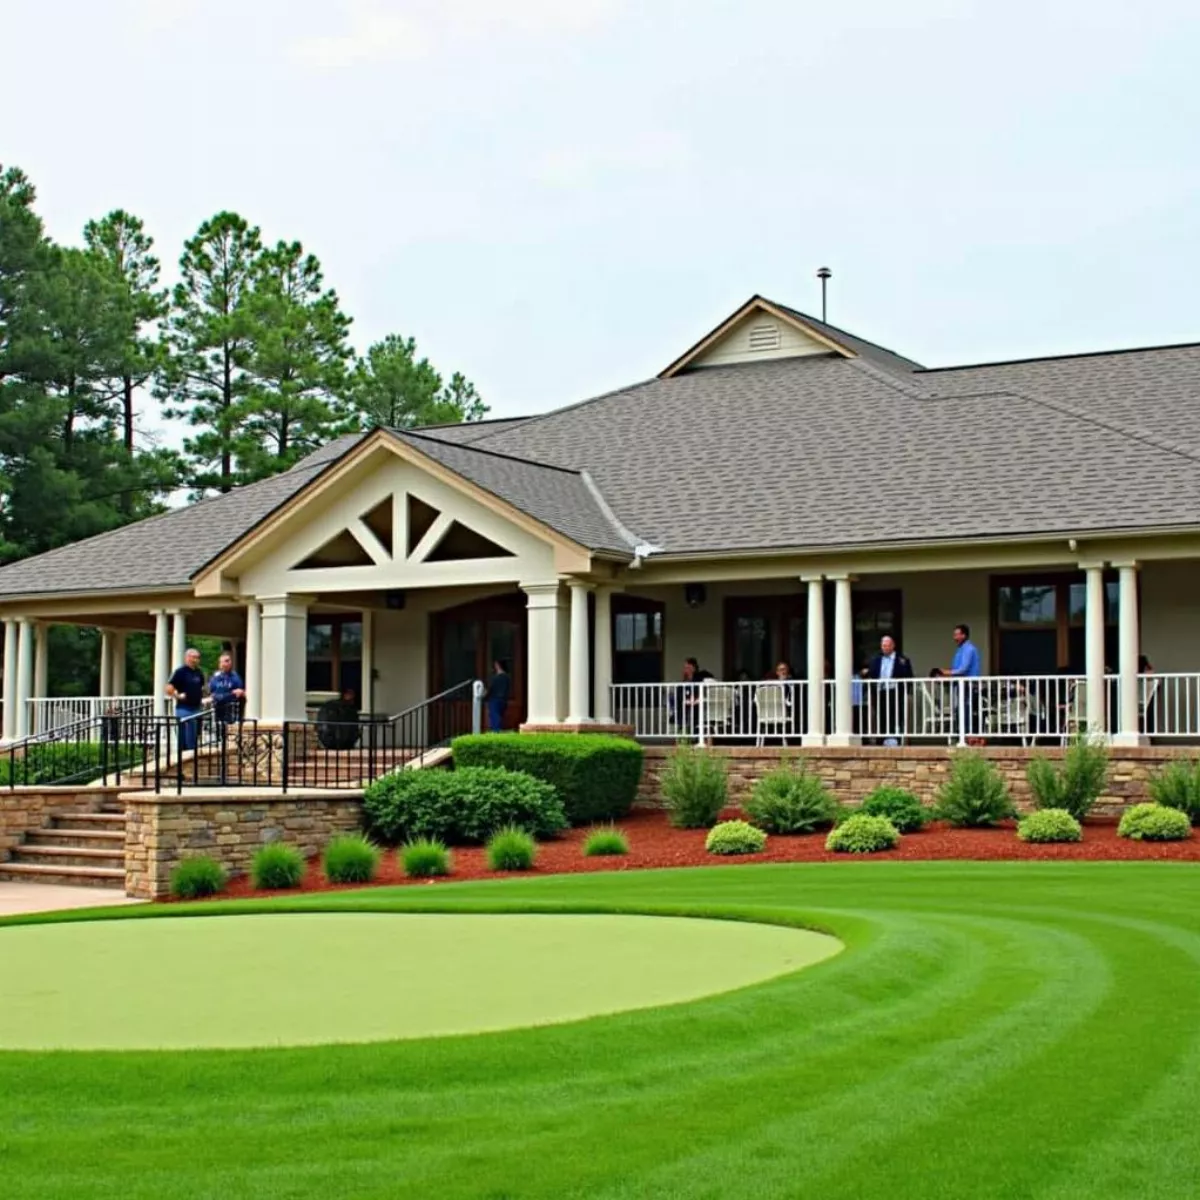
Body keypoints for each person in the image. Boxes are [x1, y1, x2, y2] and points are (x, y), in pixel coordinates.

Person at [865, 635, 914, 746]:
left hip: (894, 691)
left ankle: (894, 739)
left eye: (887, 645)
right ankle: (882, 739)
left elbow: (909, 676)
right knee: (881, 715)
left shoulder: (902, 660)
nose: (885, 648)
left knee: (895, 715)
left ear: (893, 646)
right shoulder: (876, 659)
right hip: (880, 691)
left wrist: (905, 691)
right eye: (883, 646)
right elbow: (872, 673)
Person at [946, 623, 983, 743]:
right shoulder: (960, 650)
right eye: (954, 635)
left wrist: (947, 673)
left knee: (967, 710)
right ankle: (963, 735)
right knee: (960, 710)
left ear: (964, 635)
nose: (954, 637)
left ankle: (968, 735)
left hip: (969, 685)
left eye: (957, 634)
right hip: (961, 684)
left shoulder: (969, 649)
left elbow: (963, 668)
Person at [166, 647, 206, 751]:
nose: (196, 660)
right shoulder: (180, 672)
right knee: (184, 738)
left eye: (198, 658)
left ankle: (192, 758)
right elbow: (169, 688)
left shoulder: (199, 672)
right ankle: (183, 757)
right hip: (184, 708)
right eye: (194, 657)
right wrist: (177, 695)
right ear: (187, 658)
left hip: (197, 708)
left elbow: (202, 687)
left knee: (194, 737)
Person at [208, 652, 246, 725]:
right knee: (219, 731)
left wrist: (224, 695)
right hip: (218, 710)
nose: (228, 663)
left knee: (231, 732)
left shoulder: (235, 677)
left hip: (231, 711)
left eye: (229, 661)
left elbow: (239, 693)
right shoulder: (215, 677)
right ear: (220, 664)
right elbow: (213, 694)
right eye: (225, 661)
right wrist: (230, 693)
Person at [485, 659, 510, 732]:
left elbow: (491, 689)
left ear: (497, 665)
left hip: (494, 700)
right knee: (499, 717)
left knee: (494, 718)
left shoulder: (496, 678)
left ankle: (496, 733)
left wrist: (485, 696)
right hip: (503, 700)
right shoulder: (507, 677)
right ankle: (498, 733)